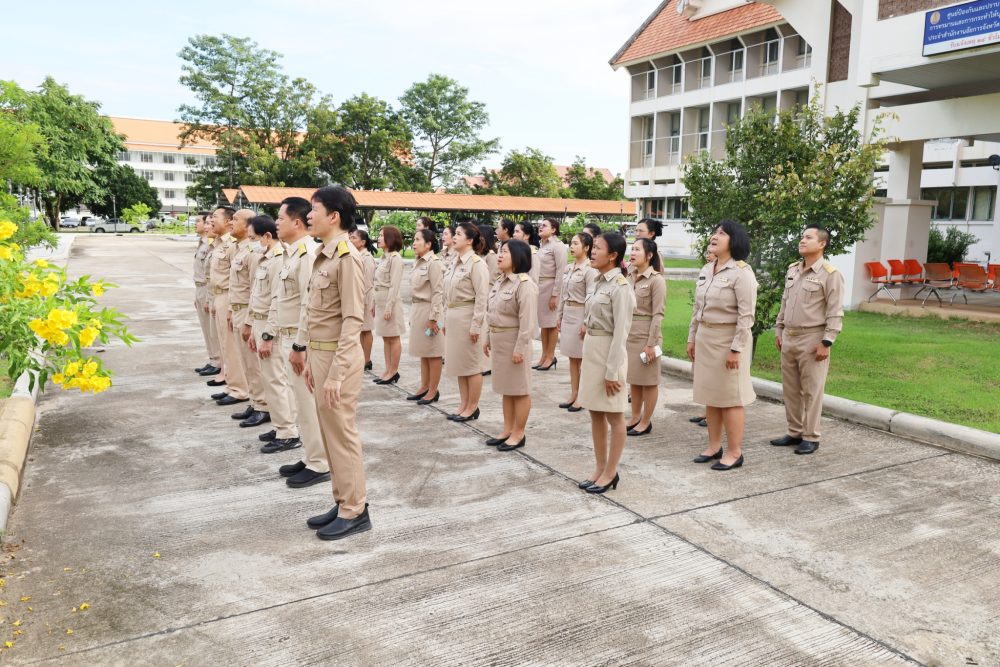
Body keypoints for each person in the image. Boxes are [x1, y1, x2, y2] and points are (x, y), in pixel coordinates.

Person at [296, 186, 371, 541]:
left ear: (334, 216)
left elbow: (353, 320)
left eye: (314, 209)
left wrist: (336, 375)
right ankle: (342, 500)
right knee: (330, 436)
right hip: (321, 354)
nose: (308, 216)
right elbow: (316, 312)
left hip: (339, 359)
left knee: (342, 435)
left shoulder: (347, 258)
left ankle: (355, 509)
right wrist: (311, 358)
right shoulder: (323, 256)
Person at [268, 196, 329, 487]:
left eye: (280, 218)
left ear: (296, 222)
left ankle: (320, 462)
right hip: (288, 335)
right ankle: (310, 455)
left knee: (307, 403)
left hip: (299, 339)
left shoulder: (307, 254)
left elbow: (309, 304)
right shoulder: (292, 253)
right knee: (301, 404)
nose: (276, 223)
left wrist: (300, 346)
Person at [687, 220, 757, 471]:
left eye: (722, 233)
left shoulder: (742, 273)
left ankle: (734, 452)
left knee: (731, 398)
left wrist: (736, 349)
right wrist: (692, 337)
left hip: (728, 340)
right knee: (711, 395)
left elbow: (746, 316)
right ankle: (714, 446)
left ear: (734, 240)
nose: (714, 236)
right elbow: (698, 308)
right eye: (714, 232)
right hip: (706, 337)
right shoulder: (708, 268)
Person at [771, 225, 844, 455]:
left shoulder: (830, 274)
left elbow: (835, 311)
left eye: (808, 237)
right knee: (791, 389)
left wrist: (827, 341)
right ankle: (794, 431)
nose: (802, 240)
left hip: (813, 338)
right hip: (789, 336)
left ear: (822, 244)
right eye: (802, 236)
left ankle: (811, 436)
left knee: (812, 391)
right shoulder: (793, 269)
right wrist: (779, 329)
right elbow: (785, 302)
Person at [245, 214, 307, 459]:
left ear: (266, 236)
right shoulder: (268, 259)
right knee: (272, 380)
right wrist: (254, 325)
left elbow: (276, 300)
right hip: (262, 322)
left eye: (253, 238)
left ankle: (288, 433)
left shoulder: (280, 259)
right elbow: (258, 296)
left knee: (276, 381)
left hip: (274, 326)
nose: (251, 243)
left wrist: (268, 334)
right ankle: (282, 425)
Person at [578, 233, 635, 494]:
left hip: (609, 355)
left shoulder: (620, 287)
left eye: (598, 248)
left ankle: (611, 472)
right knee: (595, 412)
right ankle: (599, 468)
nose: (592, 251)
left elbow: (621, 332)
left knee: (614, 415)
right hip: (592, 352)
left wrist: (612, 371)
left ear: (612, 255)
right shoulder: (597, 281)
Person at [483, 240, 538, 451]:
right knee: (507, 389)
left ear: (517, 256)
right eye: (499, 251)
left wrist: (520, 348)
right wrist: (488, 338)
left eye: (504, 252)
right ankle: (507, 429)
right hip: (499, 341)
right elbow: (492, 313)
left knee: (520, 389)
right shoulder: (500, 281)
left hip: (514, 343)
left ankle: (519, 433)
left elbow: (527, 322)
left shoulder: (524, 284)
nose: (499, 255)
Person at [442, 222, 490, 422]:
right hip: (453, 316)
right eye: (454, 234)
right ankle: (463, 404)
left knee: (471, 365)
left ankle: (472, 406)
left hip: (468, 317)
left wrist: (476, 325)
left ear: (470, 240)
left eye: (459, 234)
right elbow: (447, 293)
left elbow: (481, 297)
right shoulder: (454, 262)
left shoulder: (476, 263)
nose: (454, 237)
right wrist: (445, 318)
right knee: (459, 364)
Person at [228, 208, 270, 428]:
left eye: (235, 219)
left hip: (248, 312)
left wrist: (250, 321)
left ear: (247, 225)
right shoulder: (240, 249)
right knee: (246, 362)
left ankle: (263, 406)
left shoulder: (254, 252)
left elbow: (256, 290)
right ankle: (255, 401)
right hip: (238, 310)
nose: (231, 222)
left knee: (254, 364)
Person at [207, 206, 249, 406]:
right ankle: (232, 385)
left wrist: (231, 306)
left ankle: (240, 389)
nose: (211, 221)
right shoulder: (219, 243)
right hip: (219, 296)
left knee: (232, 347)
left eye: (215, 217)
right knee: (225, 345)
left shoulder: (233, 245)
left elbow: (237, 279)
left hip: (228, 296)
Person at [625, 239, 666, 436]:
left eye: (637, 250)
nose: (632, 253)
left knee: (649, 381)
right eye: (632, 249)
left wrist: (651, 343)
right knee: (634, 379)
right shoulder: (629, 276)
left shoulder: (656, 280)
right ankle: (635, 417)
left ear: (649, 255)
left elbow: (658, 314)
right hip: (630, 333)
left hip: (646, 334)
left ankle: (646, 421)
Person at [557, 232, 598, 412]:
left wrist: (586, 322)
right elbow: (562, 294)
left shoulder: (590, 270)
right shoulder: (569, 268)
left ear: (586, 247)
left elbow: (591, 298)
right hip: (568, 313)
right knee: (572, 358)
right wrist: (559, 315)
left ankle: (582, 396)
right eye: (571, 243)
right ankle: (574, 393)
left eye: (575, 244)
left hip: (581, 314)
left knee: (582, 359)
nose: (571, 247)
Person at [407, 228, 445, 405]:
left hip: (430, 311)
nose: (414, 243)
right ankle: (424, 386)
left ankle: (433, 390)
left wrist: (433, 318)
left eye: (418, 240)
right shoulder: (418, 262)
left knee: (433, 352)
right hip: (418, 310)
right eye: (414, 240)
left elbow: (438, 291)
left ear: (428, 244)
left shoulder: (433, 263)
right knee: (424, 351)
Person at [373, 225, 405, 385]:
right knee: (386, 338)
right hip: (380, 302)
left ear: (390, 238)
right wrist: (374, 304)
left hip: (389, 303)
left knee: (393, 337)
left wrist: (388, 307)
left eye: (381, 235)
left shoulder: (395, 258)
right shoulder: (383, 258)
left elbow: (394, 285)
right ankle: (387, 370)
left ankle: (393, 371)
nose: (378, 238)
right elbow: (377, 283)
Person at [534, 218, 567, 371]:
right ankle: (544, 355)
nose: (540, 227)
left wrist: (555, 294)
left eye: (544, 225)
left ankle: (551, 356)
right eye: (540, 225)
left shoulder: (558, 246)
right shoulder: (542, 245)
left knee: (552, 324)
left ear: (553, 229)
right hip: (541, 288)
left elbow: (561, 271)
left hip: (551, 287)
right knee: (544, 324)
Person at [193, 213, 222, 377]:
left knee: (213, 330)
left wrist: (207, 298)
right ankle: (212, 359)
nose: (198, 224)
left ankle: (217, 361)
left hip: (207, 289)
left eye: (200, 221)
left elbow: (210, 273)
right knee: (206, 327)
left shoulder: (212, 244)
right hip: (200, 288)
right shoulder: (203, 243)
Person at [349, 228, 377, 372]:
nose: (351, 240)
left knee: (366, 330)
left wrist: (361, 300)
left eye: (354, 238)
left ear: (363, 242)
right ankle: (362, 358)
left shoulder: (367, 258)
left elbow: (367, 282)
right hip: (357, 297)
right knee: (360, 330)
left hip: (365, 299)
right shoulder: (356, 255)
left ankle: (367, 360)